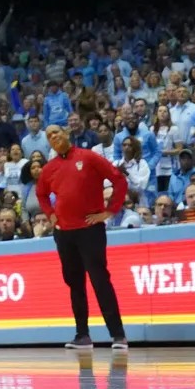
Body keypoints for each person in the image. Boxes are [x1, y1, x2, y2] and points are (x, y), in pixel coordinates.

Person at [36, 121, 131, 349]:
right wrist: (50, 214)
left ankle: (118, 335)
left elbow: (118, 179)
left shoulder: (89, 157)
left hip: (90, 230)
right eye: (49, 136)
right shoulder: (49, 169)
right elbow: (41, 194)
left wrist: (109, 211)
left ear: (67, 133)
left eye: (56, 133)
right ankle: (82, 335)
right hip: (64, 234)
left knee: (100, 280)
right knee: (75, 284)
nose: (53, 138)